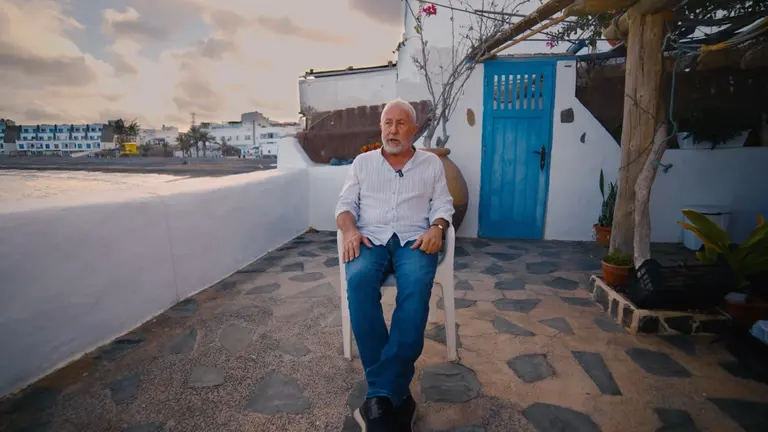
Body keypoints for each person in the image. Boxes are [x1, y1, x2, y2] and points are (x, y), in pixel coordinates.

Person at [335, 99, 454, 431]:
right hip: (370, 237)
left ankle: (378, 395)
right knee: (358, 282)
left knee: (415, 286)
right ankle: (393, 393)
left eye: (402, 123)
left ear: (414, 130)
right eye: (388, 123)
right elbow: (345, 205)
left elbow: (444, 203)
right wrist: (349, 230)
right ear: (381, 127)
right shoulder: (362, 163)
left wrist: (438, 227)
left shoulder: (430, 164)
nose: (393, 129)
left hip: (414, 238)